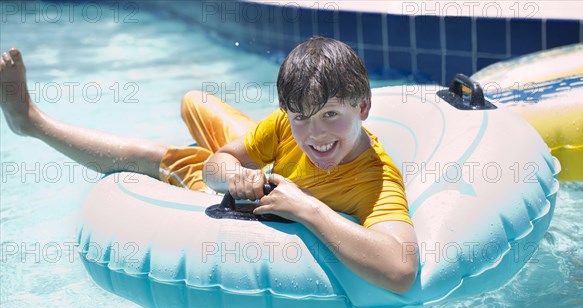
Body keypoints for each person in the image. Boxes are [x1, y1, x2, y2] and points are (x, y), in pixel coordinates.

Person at [0, 36, 418, 294]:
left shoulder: (375, 182)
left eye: (331, 115)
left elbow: (399, 271)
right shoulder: (286, 128)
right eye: (301, 118)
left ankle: (30, 122)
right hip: (254, 169)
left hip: (287, 192)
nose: (316, 136)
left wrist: (307, 208)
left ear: (363, 107)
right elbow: (218, 167)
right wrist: (236, 175)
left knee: (154, 157)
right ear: (287, 115)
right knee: (194, 102)